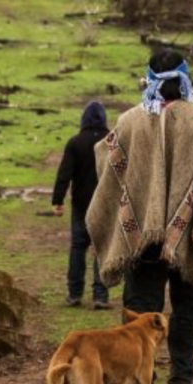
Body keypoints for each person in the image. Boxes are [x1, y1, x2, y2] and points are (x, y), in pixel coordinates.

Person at [85, 50, 193, 384]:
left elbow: (108, 166)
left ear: (149, 79)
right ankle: (181, 378)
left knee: (139, 315)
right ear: (185, 79)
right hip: (191, 240)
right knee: (188, 307)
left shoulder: (129, 122)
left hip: (141, 242)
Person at [52, 101, 111, 310]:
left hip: (81, 204)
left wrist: (57, 201)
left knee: (78, 247)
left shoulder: (75, 142)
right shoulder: (112, 141)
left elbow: (64, 174)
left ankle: (74, 293)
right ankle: (100, 296)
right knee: (102, 248)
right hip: (106, 204)